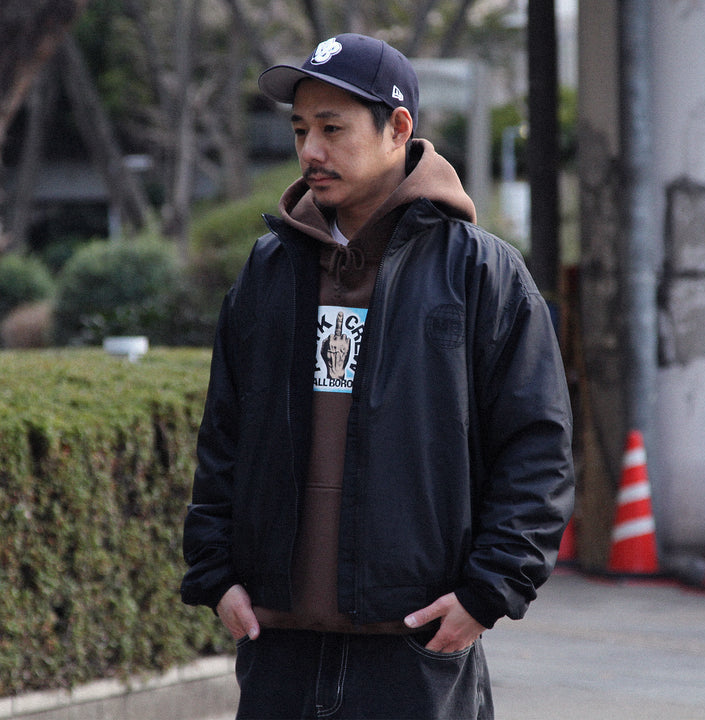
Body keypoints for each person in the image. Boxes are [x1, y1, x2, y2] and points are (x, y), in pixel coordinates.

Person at [181, 33, 574, 720]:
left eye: (332, 129)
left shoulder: (481, 272)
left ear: (398, 128)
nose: (311, 150)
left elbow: (537, 449)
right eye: (300, 130)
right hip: (278, 647)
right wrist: (216, 576)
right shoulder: (269, 270)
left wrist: (487, 594)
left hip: (416, 648)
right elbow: (224, 436)